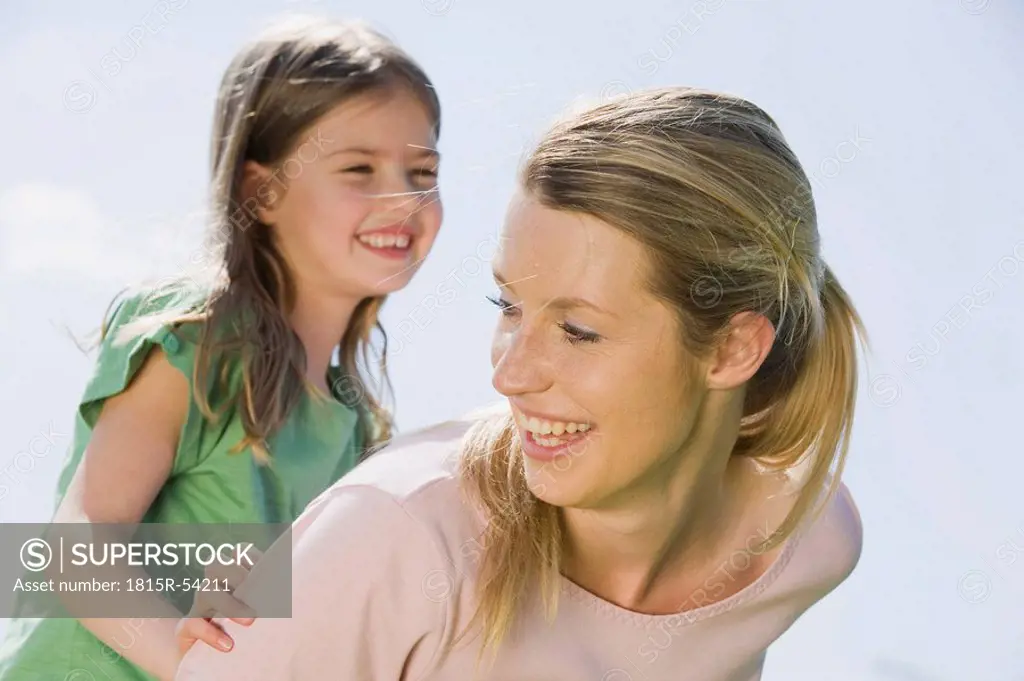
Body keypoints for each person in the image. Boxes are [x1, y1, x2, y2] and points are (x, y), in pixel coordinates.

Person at [175, 86, 865, 681]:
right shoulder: (395, 531)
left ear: (733, 348)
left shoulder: (804, 541)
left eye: (579, 331)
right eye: (507, 306)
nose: (509, 374)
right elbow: (74, 549)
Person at [0, 15, 444, 681]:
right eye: (359, 168)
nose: (402, 199)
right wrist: (187, 664)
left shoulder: (357, 428)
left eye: (422, 171)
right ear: (261, 191)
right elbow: (74, 547)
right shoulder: (199, 341)